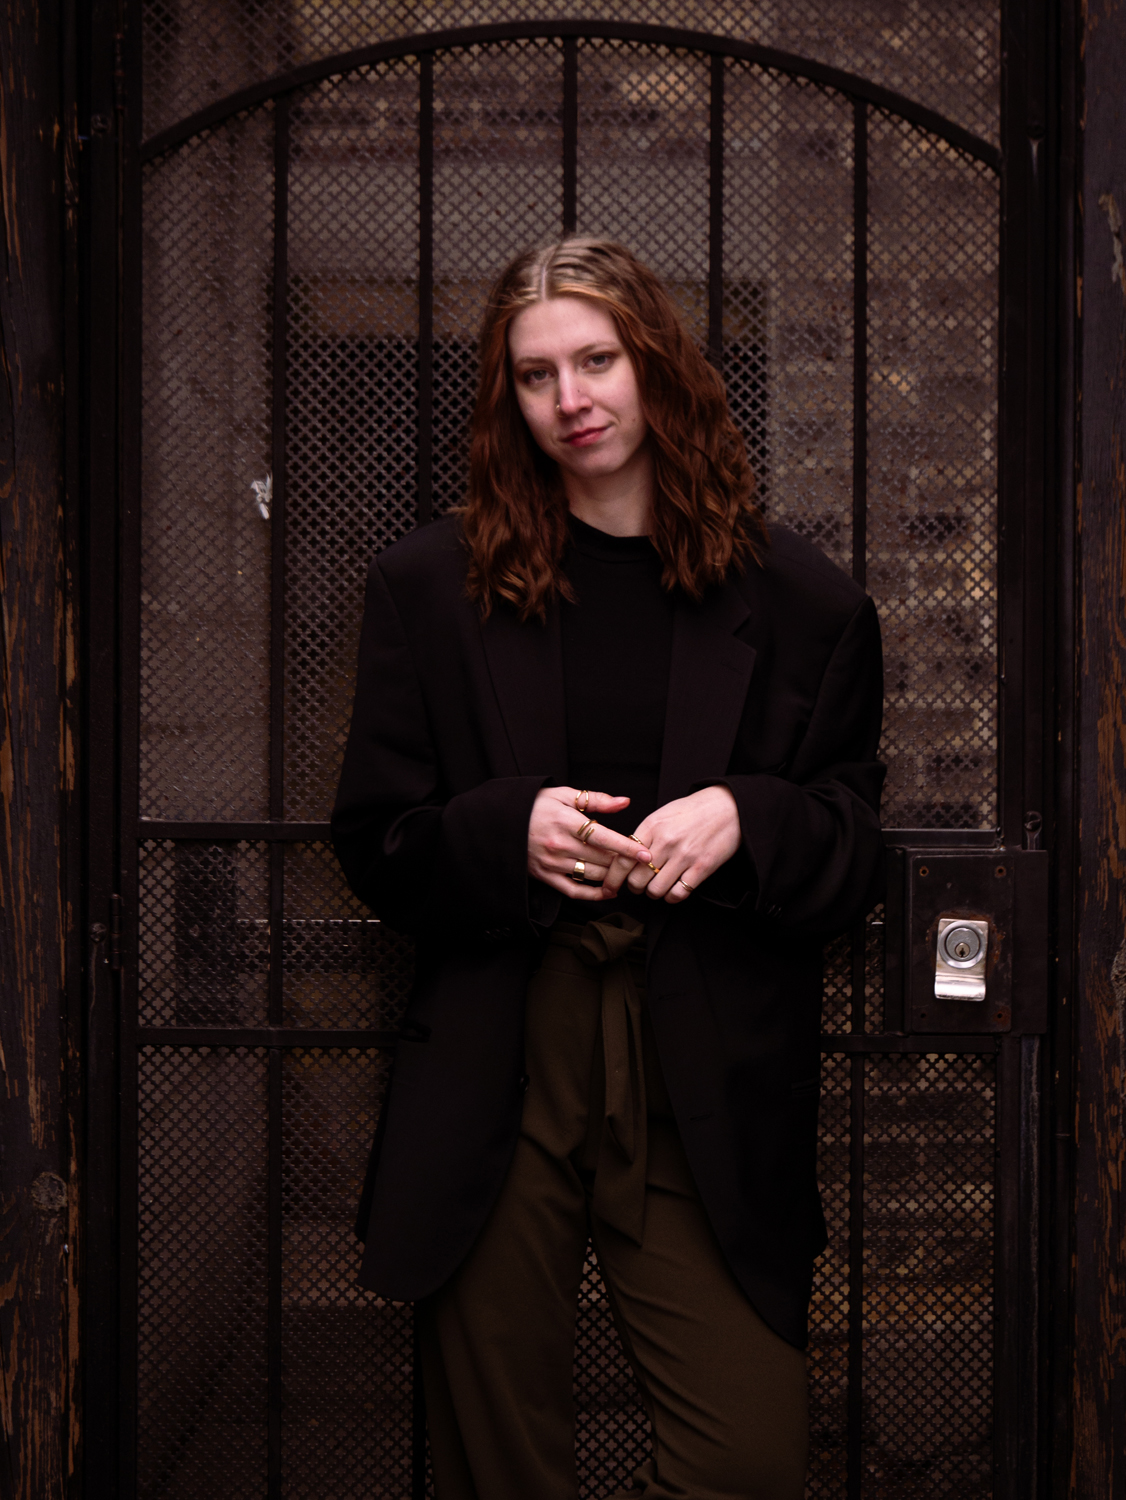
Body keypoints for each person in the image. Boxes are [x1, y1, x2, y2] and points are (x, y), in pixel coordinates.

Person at [332, 237, 885, 1500]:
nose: (569, 399)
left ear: (658, 365)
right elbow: (376, 842)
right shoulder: (428, 586)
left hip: (700, 1067)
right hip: (499, 1058)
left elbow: (854, 854)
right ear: (507, 400)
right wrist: (504, 831)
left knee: (746, 1456)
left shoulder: (803, 602)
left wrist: (748, 815)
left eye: (596, 361)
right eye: (534, 376)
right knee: (499, 1464)